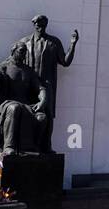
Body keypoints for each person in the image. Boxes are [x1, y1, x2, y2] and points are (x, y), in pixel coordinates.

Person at [19, 15, 77, 153]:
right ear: (34, 25)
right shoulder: (25, 42)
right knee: (28, 113)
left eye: (42, 23)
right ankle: (25, 145)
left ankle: (46, 146)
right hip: (29, 84)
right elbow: (15, 59)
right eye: (37, 24)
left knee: (48, 115)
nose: (39, 26)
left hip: (47, 84)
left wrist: (73, 44)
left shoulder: (54, 42)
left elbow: (65, 62)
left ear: (46, 25)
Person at [0, 43, 48, 155]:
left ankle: (33, 148)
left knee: (42, 117)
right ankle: (9, 146)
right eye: (21, 51)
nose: (24, 54)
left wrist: (43, 100)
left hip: (26, 105)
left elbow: (40, 88)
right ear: (13, 51)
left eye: (25, 52)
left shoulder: (28, 71)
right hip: (8, 104)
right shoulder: (3, 67)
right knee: (14, 108)